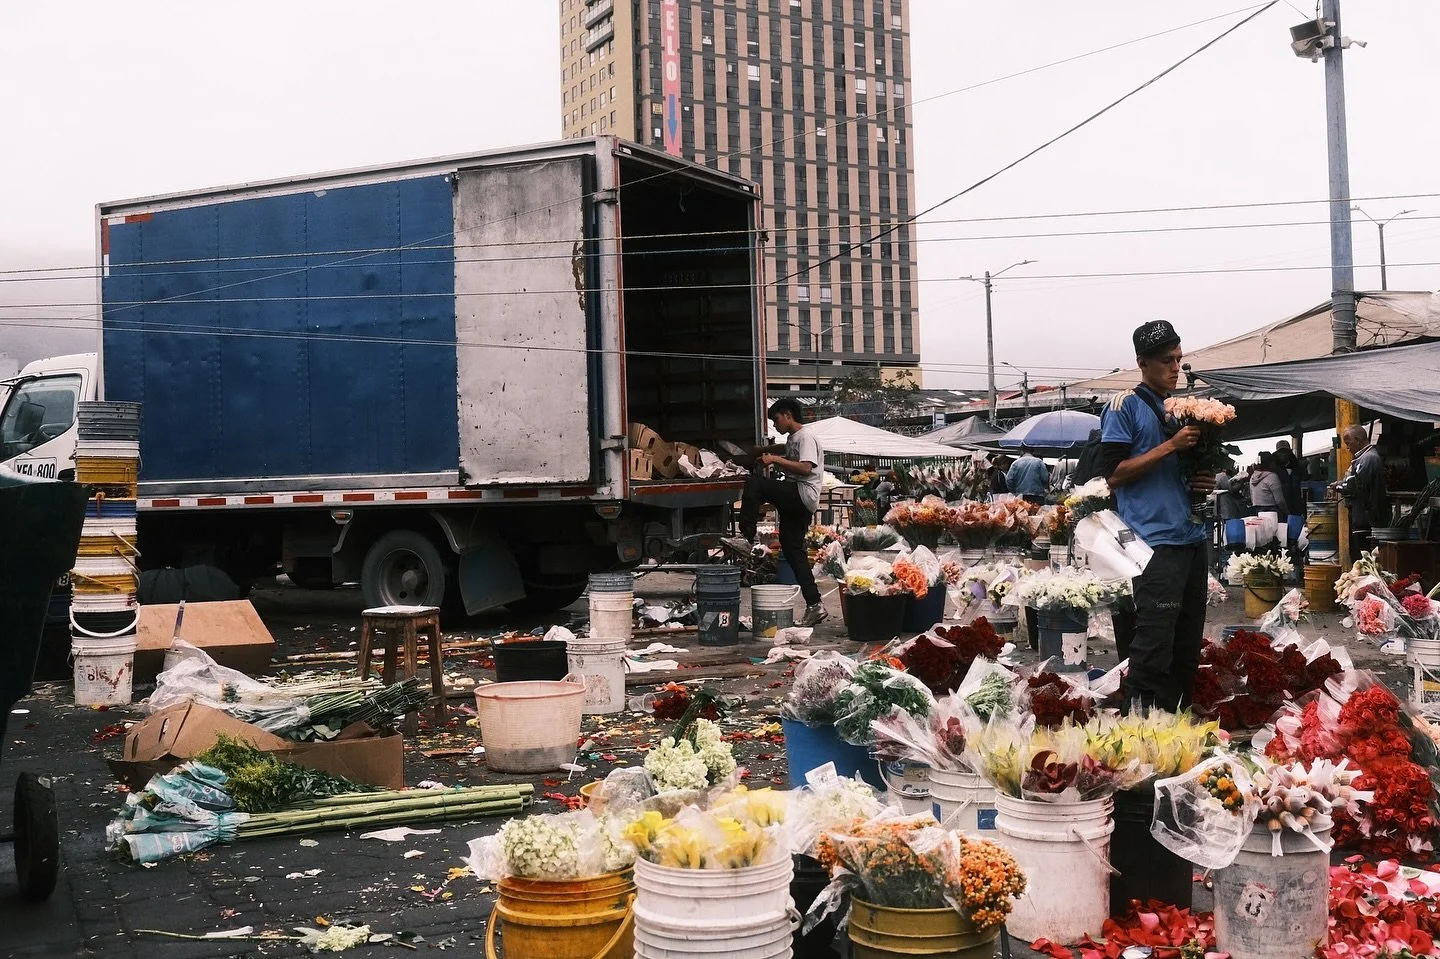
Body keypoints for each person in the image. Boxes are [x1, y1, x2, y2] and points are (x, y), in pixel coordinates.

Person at [1098, 320, 1213, 710]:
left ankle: (1175, 723)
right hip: (1152, 543)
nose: (1175, 368)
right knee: (1153, 640)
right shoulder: (1124, 406)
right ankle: (1138, 726)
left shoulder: (1185, 411)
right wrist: (1171, 447)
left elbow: (1179, 471)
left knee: (1187, 643)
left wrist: (1199, 479)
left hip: (1192, 538)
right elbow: (1114, 475)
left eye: (1179, 359)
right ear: (1142, 363)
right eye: (1166, 360)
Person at [734, 398, 828, 626]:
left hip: (801, 494)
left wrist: (774, 459)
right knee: (793, 551)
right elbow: (785, 448)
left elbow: (806, 468)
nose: (775, 426)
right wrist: (766, 450)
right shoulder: (795, 438)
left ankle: (747, 536)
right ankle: (815, 604)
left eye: (776, 420)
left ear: (787, 414)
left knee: (754, 483)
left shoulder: (806, 437)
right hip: (800, 502)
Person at [1332, 425, 1388, 560]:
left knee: (1363, 558)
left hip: (1366, 518)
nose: (1348, 447)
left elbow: (1355, 485)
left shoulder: (1368, 458)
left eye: (1348, 443)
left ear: (1357, 440)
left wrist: (1339, 487)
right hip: (1360, 516)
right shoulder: (1363, 458)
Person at [1248, 451, 1291, 520]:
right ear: (1270, 463)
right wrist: (1287, 513)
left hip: (1257, 512)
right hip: (1272, 512)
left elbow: (1252, 497)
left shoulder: (1253, 477)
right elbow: (1280, 501)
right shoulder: (1272, 477)